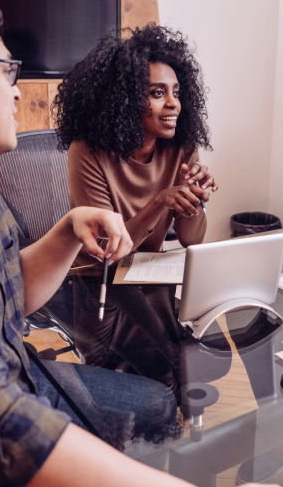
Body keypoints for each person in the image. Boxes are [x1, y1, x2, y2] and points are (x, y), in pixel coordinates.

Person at [0, 0, 274, 487]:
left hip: (17, 378)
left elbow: (10, 296)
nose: (18, 89)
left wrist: (67, 229)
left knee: (155, 399)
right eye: (7, 71)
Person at [53, 25, 216, 391]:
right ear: (125, 99)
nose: (173, 104)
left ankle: (180, 438)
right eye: (157, 93)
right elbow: (108, 251)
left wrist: (192, 201)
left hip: (148, 276)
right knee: (167, 368)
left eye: (176, 93)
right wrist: (161, 202)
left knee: (179, 369)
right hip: (102, 286)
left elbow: (192, 240)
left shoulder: (180, 146)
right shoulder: (89, 149)